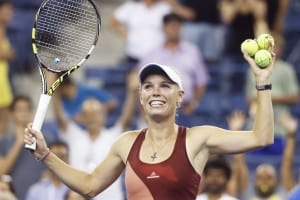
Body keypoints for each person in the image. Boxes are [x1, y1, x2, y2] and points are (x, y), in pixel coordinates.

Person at [24, 49, 275, 199]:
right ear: (141, 98)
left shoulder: (198, 138)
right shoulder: (126, 143)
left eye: (165, 86)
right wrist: (45, 154)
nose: (155, 91)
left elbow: (261, 138)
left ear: (180, 97)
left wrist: (262, 82)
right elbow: (90, 186)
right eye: (148, 86)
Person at [51, 77, 137, 199]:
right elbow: (60, 119)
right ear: (81, 117)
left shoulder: (114, 136)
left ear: (104, 116)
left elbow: (126, 119)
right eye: (87, 114)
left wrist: (131, 92)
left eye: (96, 113)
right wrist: (53, 90)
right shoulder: (74, 136)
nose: (92, 118)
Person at [127, 12, 209, 127]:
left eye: (176, 25)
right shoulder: (152, 53)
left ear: (181, 28)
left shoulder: (192, 51)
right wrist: (143, 109)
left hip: (183, 109)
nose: (174, 29)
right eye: (170, 26)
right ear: (164, 29)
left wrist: (193, 104)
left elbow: (202, 81)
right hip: (157, 108)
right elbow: (135, 78)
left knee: (184, 144)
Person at [245, 33, 299, 155]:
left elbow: (295, 97)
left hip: (279, 129)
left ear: (281, 48)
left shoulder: (287, 69)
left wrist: (266, 96)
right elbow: (249, 97)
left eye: (274, 46)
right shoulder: (252, 68)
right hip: (254, 127)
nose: (271, 49)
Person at [0, 96, 53, 200]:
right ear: (11, 114)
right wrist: (19, 142)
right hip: (14, 195)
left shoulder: (45, 139)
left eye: (27, 109)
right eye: (19, 110)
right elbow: (2, 171)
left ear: (32, 113)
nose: (23, 114)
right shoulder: (3, 142)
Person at [110, 0, 191, 66]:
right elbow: (113, 21)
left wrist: (173, 4)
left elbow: (188, 15)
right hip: (134, 55)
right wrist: (127, 36)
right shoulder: (131, 6)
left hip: (158, 57)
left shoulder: (164, 7)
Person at [0, 0, 15, 135]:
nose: (10, 13)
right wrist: (7, 54)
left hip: (3, 80)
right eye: (7, 10)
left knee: (4, 125)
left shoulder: (4, 30)